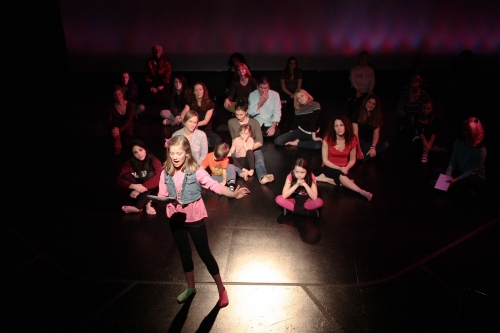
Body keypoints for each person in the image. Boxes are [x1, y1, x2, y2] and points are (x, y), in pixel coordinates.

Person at [157, 135, 250, 307]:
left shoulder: (196, 170)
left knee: (204, 253)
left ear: (186, 153)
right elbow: (162, 194)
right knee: (184, 254)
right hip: (175, 217)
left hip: (194, 216)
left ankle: (221, 289)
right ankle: (191, 287)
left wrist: (233, 194)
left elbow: (213, 185)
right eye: (172, 153)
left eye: (179, 153)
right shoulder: (165, 173)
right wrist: (159, 201)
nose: (175, 157)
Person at [316, 117, 373, 201]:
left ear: (345, 126)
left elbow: (353, 159)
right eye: (336, 126)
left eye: (341, 125)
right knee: (342, 177)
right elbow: (325, 160)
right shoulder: (328, 139)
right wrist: (339, 168)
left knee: (350, 181)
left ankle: (324, 179)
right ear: (333, 128)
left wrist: (346, 168)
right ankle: (362, 192)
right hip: (329, 166)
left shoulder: (352, 139)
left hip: (344, 167)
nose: (339, 128)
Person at [228, 101, 275, 184]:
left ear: (246, 112)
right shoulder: (231, 122)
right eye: (237, 114)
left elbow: (260, 141)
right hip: (238, 147)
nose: (239, 117)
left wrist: (248, 148)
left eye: (241, 114)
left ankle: (263, 176)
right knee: (230, 160)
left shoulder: (254, 122)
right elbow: (233, 139)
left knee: (259, 160)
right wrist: (232, 151)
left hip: (253, 147)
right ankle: (242, 173)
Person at [118, 140, 162, 214]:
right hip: (135, 194)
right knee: (126, 175)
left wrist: (139, 189)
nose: (139, 154)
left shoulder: (154, 160)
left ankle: (139, 207)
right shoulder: (129, 163)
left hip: (151, 192)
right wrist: (132, 186)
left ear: (145, 149)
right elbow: (119, 180)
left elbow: (159, 178)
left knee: (151, 174)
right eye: (135, 152)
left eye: (140, 150)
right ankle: (147, 204)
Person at [445, 117, 486, 194]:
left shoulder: (481, 149)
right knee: (437, 172)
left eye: (469, 130)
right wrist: (447, 177)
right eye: (464, 130)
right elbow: (453, 161)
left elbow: (473, 171)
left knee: (469, 182)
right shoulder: (459, 142)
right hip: (461, 173)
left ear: (475, 131)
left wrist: (457, 179)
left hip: (474, 176)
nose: (465, 132)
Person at [180, 82, 221, 148]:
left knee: (217, 139)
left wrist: (195, 124)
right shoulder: (191, 101)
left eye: (200, 89)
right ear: (193, 92)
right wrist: (187, 124)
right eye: (196, 90)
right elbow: (183, 113)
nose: (198, 92)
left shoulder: (210, 104)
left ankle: (199, 143)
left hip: (205, 131)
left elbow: (206, 121)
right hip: (192, 129)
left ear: (204, 91)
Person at [351, 94, 389, 161]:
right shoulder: (356, 114)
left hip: (368, 143)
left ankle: (364, 156)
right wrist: (359, 150)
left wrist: (373, 147)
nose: (370, 105)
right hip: (358, 142)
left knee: (385, 144)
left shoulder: (377, 116)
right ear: (365, 102)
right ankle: (366, 155)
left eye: (373, 104)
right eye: (369, 102)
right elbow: (355, 134)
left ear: (375, 106)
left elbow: (376, 134)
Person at [396, 74, 430, 143]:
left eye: (416, 82)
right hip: (407, 118)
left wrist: (418, 117)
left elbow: (429, 107)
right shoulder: (405, 94)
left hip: (420, 118)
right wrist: (408, 116)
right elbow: (399, 110)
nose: (414, 85)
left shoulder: (424, 94)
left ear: (419, 83)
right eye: (412, 83)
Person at [415, 99, 446, 163]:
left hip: (431, 138)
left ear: (432, 109)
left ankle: (425, 153)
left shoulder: (435, 118)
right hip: (421, 137)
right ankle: (429, 151)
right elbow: (419, 131)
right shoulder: (418, 117)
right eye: (424, 108)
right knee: (417, 145)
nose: (426, 111)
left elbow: (434, 132)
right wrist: (425, 142)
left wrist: (430, 143)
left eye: (428, 109)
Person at [108, 85, 135, 155]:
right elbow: (109, 123)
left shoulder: (131, 105)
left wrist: (119, 130)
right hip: (117, 130)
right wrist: (112, 130)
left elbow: (129, 121)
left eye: (119, 94)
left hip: (127, 130)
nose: (118, 97)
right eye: (115, 95)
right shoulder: (112, 107)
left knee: (127, 144)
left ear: (122, 94)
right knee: (116, 142)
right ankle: (117, 147)